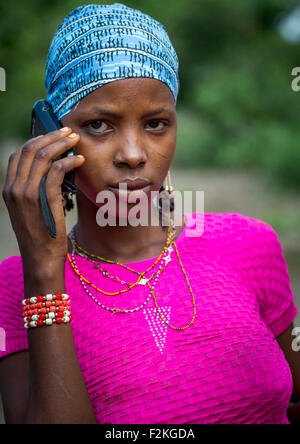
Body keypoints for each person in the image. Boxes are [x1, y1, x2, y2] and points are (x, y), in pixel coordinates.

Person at [0, 3, 299, 425]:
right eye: (100, 126)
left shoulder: (248, 243)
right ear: (52, 135)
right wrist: (45, 269)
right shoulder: (18, 284)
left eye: (156, 123)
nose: (134, 155)